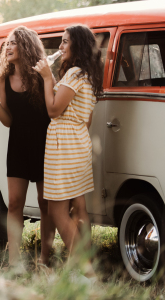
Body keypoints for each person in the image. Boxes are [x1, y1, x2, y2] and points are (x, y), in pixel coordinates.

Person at [0, 26, 56, 270]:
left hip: (44, 144)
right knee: (14, 203)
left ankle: (45, 258)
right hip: (18, 144)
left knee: (45, 203)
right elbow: (8, 121)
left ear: (26, 46)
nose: (8, 47)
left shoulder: (42, 75)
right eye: (7, 43)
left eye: (14, 43)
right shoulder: (2, 77)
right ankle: (15, 261)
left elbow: (53, 110)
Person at [34, 24, 103, 276]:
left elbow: (53, 109)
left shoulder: (74, 74)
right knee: (80, 208)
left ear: (77, 45)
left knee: (57, 210)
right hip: (79, 140)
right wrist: (50, 76)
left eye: (65, 42)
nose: (60, 47)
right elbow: (87, 120)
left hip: (63, 144)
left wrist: (44, 77)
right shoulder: (88, 75)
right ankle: (89, 266)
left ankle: (85, 270)